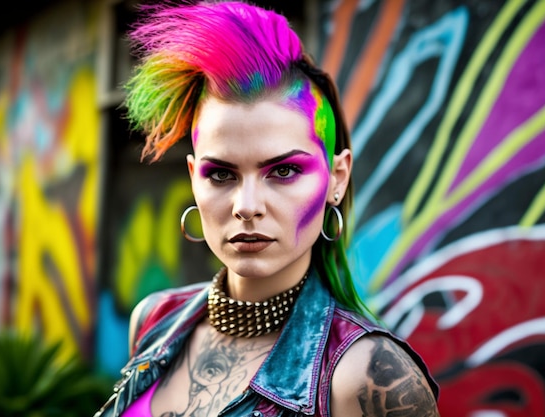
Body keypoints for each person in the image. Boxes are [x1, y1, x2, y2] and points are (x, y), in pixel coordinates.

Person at [95, 1, 440, 416]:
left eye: (284, 170)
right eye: (221, 175)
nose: (247, 206)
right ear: (193, 177)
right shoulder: (155, 320)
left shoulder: (369, 378)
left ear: (337, 178)